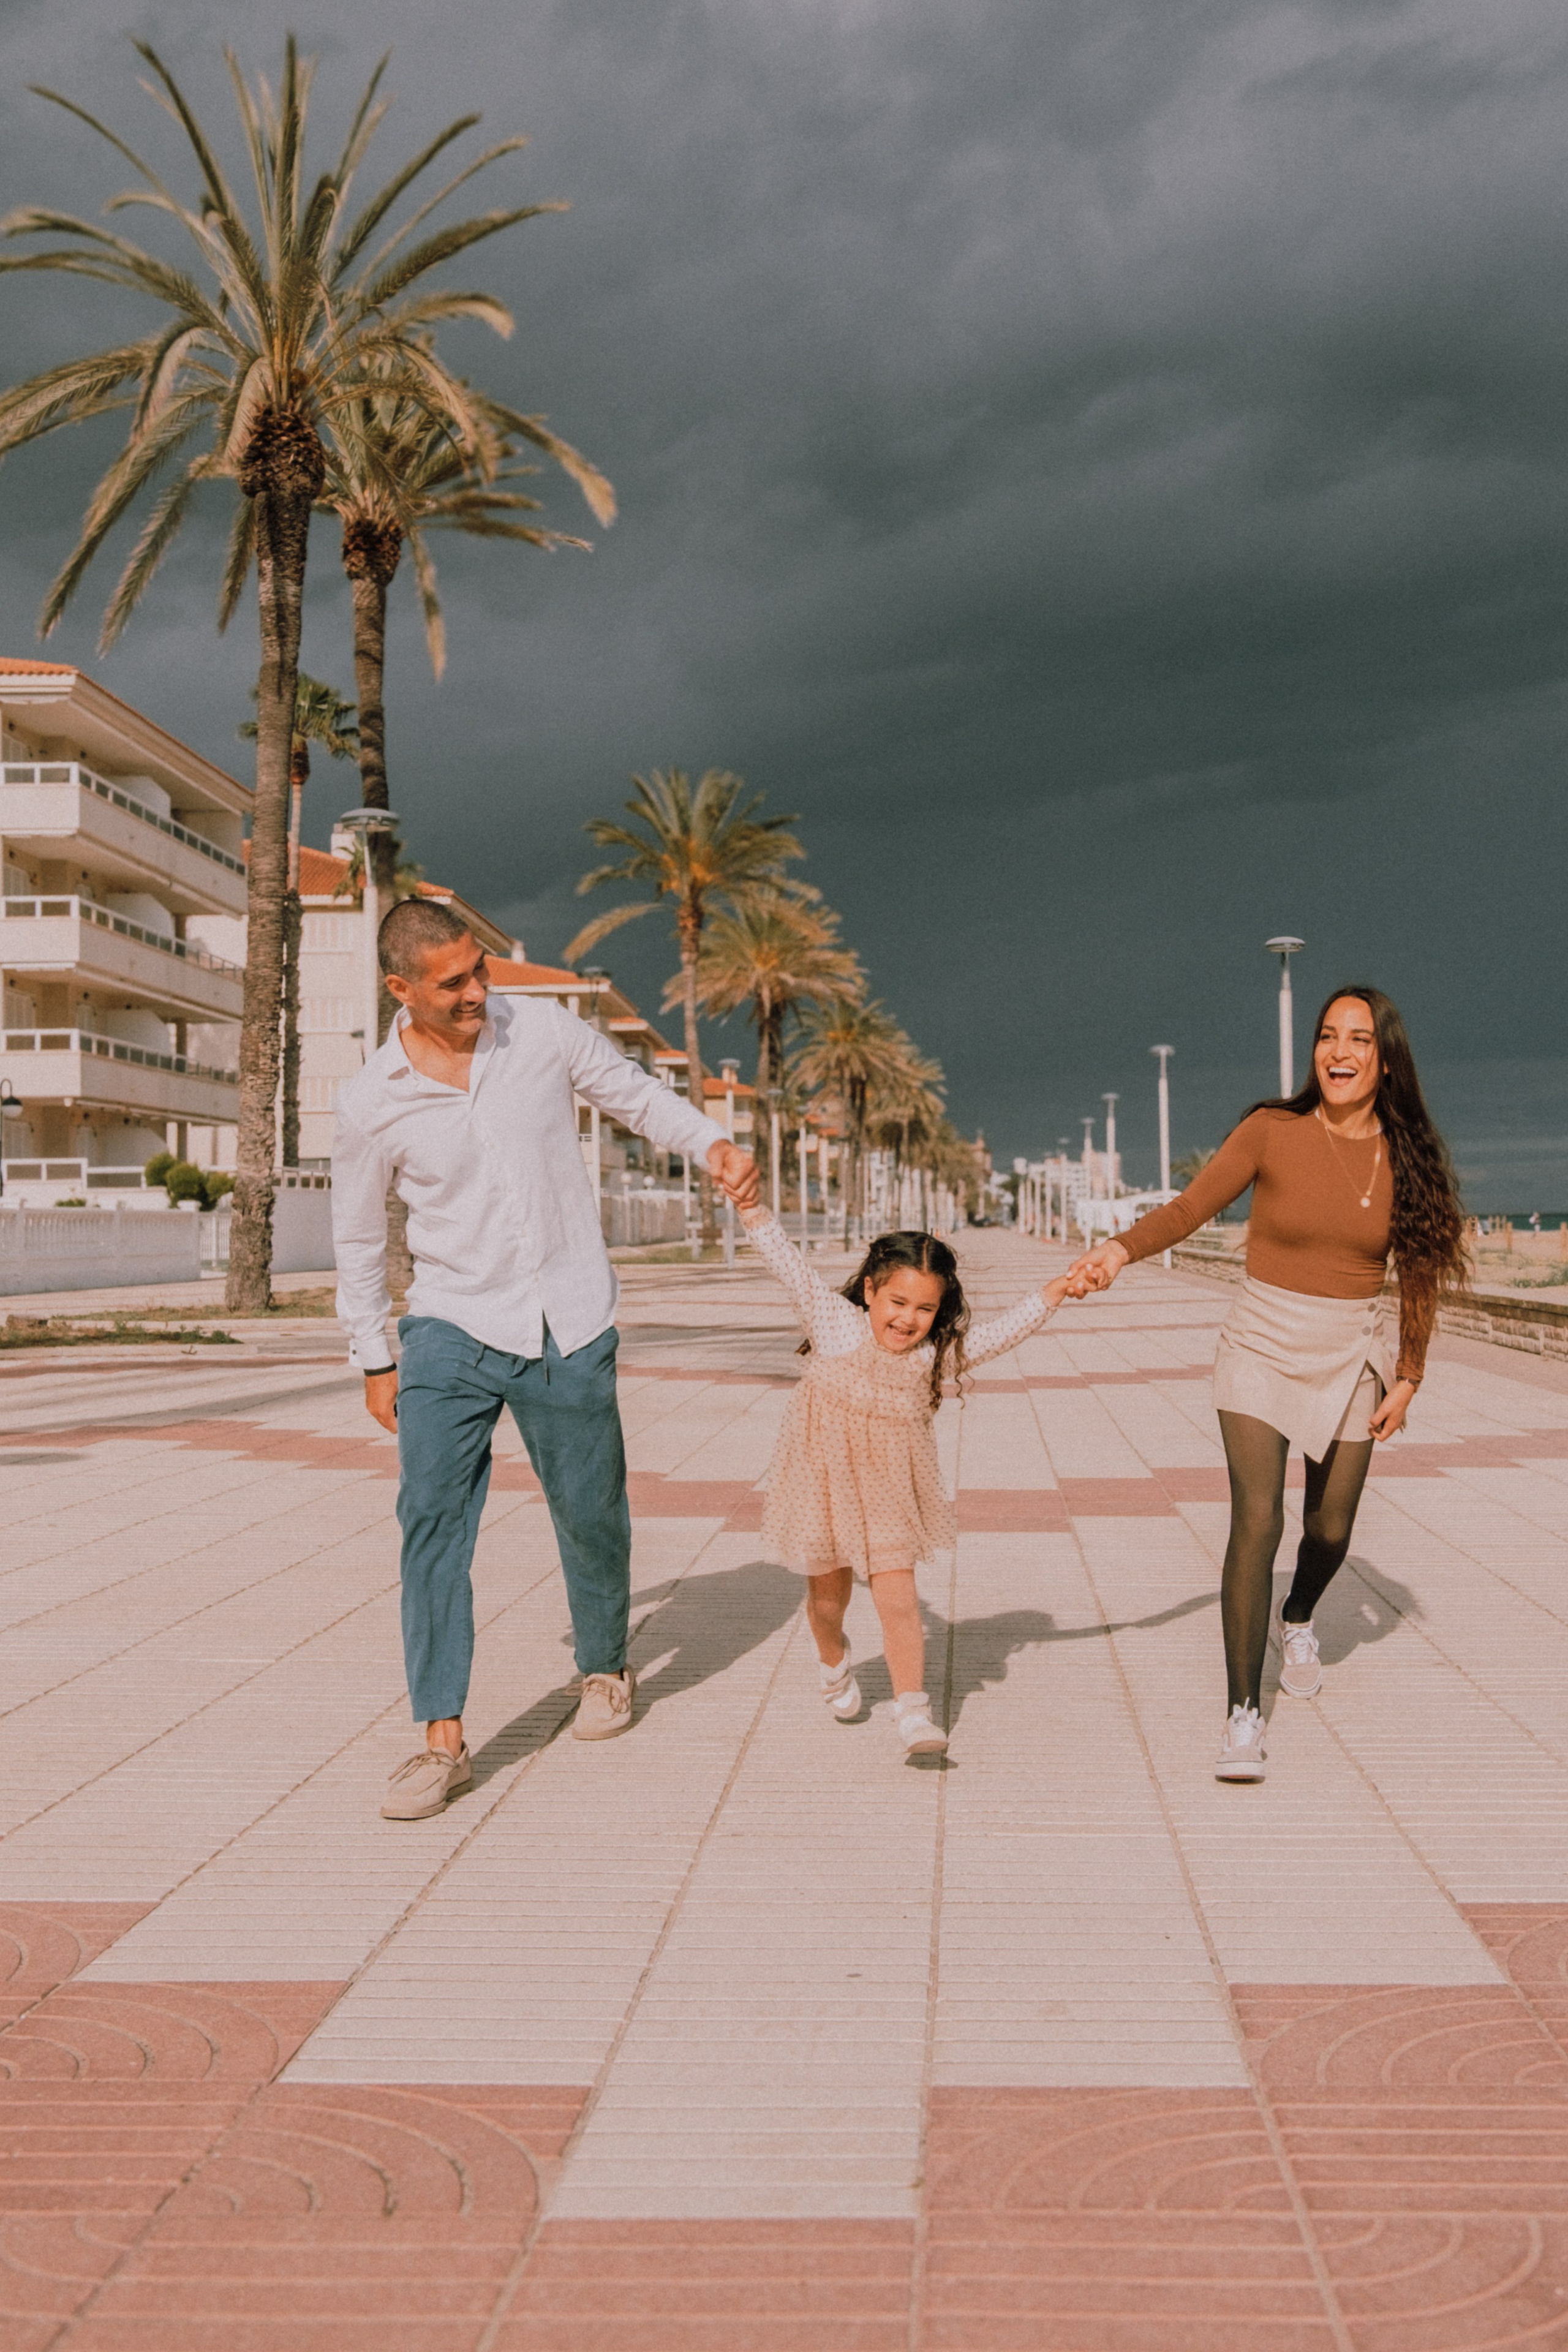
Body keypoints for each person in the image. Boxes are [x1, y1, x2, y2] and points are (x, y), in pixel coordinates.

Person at [332, 899, 759, 1820]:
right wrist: (375, 1353)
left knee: (590, 1512)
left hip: (567, 1317)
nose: (479, 992)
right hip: (449, 1325)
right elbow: (361, 1239)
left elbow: (636, 1094)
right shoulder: (371, 1101)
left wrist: (713, 1143)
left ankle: (604, 1669)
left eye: (480, 970)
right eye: (454, 983)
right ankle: (440, 1738)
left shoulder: (542, 1032)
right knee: (432, 1523)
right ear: (400, 990)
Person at [1072, 986, 1466, 1784]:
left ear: (1384, 1061)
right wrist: (1119, 1251)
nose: (1338, 1051)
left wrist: (1410, 1374)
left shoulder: (1408, 1154)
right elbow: (1188, 1209)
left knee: (1329, 1528)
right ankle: (1243, 1713)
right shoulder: (1272, 1131)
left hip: (1351, 1350)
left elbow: (1420, 1270)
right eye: (1327, 1036)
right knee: (1258, 1519)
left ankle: (1298, 1615)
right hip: (1257, 1340)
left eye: (1357, 1039)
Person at [738, 1200, 1079, 1755]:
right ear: (870, 1291)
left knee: (898, 1598)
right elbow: (789, 1266)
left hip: (891, 1490)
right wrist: (752, 1210)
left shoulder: (931, 1355)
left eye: (925, 1309)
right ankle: (832, 1659)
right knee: (830, 1598)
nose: (908, 1319)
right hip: (826, 1485)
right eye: (897, 1302)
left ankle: (914, 1711)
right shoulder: (834, 1324)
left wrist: (1055, 1293)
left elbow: (1001, 1336)